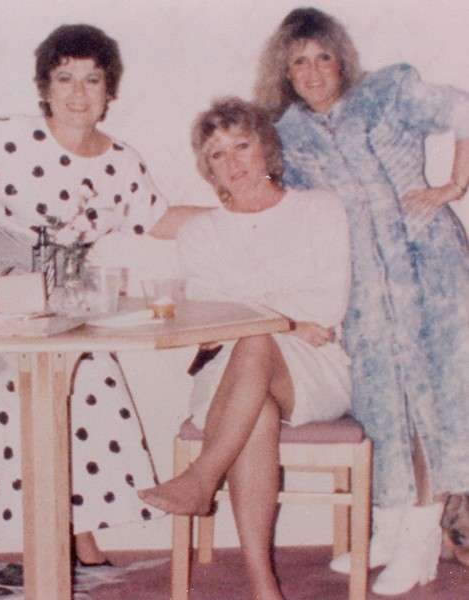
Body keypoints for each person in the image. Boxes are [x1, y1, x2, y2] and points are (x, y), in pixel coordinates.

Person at [0, 23, 200, 578]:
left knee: (80, 405)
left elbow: (160, 219)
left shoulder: (121, 161)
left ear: (109, 91)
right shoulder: (9, 138)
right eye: (65, 78)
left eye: (93, 79)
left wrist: (241, 211)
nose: (78, 92)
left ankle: (79, 536)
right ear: (44, 87)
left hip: (70, 302)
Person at [254, 7, 469, 595]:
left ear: (341, 60)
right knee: (380, 403)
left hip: (428, 269)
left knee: (429, 401)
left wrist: (453, 185)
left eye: (323, 57)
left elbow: (463, 109)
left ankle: (421, 538)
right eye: (299, 62)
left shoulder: (387, 94)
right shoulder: (288, 134)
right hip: (362, 286)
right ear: (285, 72)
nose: (313, 71)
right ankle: (391, 527)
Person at [137, 97, 351, 600]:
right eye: (217, 154)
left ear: (265, 148)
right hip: (227, 373)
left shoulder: (320, 209)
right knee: (256, 403)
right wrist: (288, 319)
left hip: (315, 367)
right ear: (207, 168)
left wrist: (266, 317)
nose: (233, 162)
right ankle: (263, 585)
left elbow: (328, 302)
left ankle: (201, 478)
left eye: (241, 146)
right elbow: (210, 316)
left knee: (253, 336)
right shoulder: (200, 232)